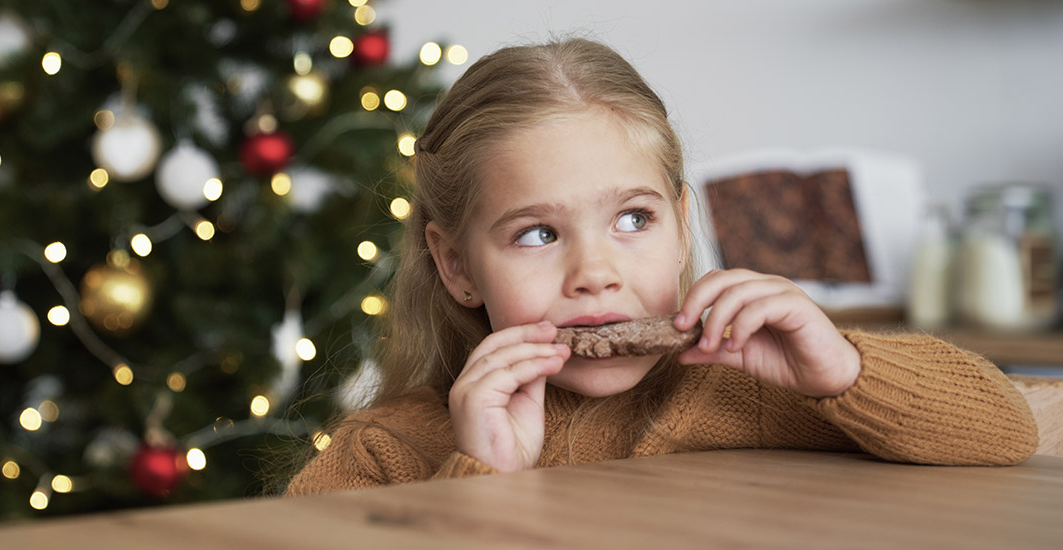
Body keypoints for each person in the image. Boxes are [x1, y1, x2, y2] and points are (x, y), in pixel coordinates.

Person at [285, 38, 1036, 495]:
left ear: (682, 229)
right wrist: (483, 483)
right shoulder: (384, 454)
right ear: (456, 266)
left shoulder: (751, 394)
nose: (596, 272)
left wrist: (841, 369)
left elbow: (1006, 434)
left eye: (633, 220)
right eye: (538, 234)